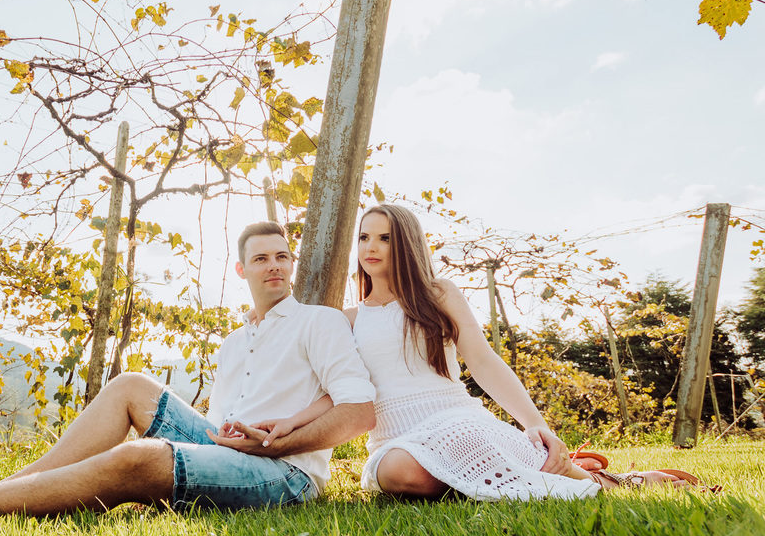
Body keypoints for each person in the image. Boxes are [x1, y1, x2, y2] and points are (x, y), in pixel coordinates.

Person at [0, 221, 377, 524]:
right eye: (262, 258)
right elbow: (221, 427)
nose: (274, 266)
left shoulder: (320, 322)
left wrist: (275, 445)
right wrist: (227, 438)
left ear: (291, 264)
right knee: (130, 384)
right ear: (241, 269)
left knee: (140, 458)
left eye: (282, 256)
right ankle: (10, 491)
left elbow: (359, 411)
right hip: (229, 449)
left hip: (285, 475)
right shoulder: (234, 343)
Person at [243, 204, 710, 500]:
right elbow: (341, 393)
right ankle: (507, 473)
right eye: (364, 237)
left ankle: (592, 477)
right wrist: (288, 420)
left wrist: (536, 425)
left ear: (405, 242)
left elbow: (484, 362)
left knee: (462, 444)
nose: (371, 246)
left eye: (384, 237)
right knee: (403, 475)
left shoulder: (438, 294)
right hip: (393, 439)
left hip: (455, 418)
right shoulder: (347, 319)